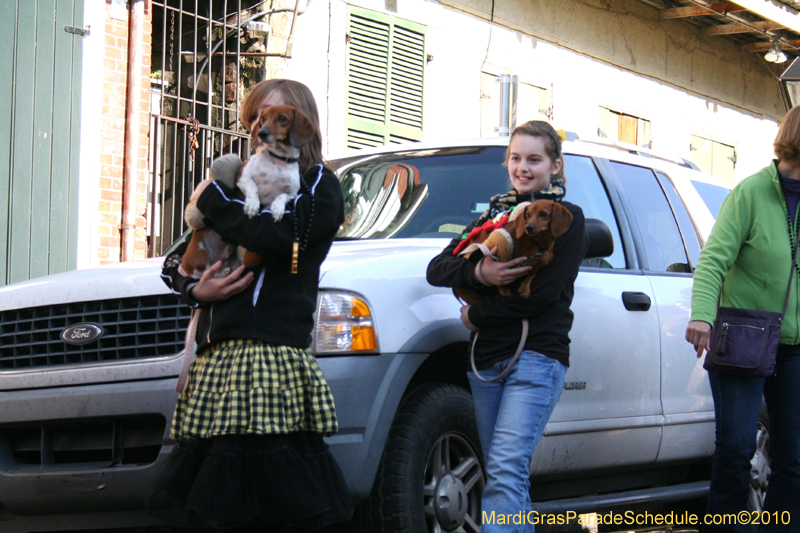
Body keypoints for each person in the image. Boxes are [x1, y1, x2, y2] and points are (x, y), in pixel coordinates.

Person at [147, 79, 352, 531]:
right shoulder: (243, 180)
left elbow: (281, 237)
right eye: (254, 118)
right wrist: (195, 291)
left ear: (299, 121)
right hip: (218, 358)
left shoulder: (320, 184)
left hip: (271, 351)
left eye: (270, 116)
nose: (259, 127)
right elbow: (175, 262)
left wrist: (214, 201)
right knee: (220, 497)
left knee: (270, 494)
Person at [426, 120, 588, 532]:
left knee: (504, 469)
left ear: (555, 166)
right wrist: (480, 274)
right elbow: (437, 268)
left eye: (534, 159)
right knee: (505, 473)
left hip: (536, 358)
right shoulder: (493, 218)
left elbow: (542, 296)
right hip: (486, 361)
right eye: (516, 158)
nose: (523, 168)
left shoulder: (567, 219)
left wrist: (476, 315)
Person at [686, 106, 800, 533]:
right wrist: (702, 317)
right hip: (743, 338)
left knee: (793, 458)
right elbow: (713, 261)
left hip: (795, 347)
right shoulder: (750, 193)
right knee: (735, 451)